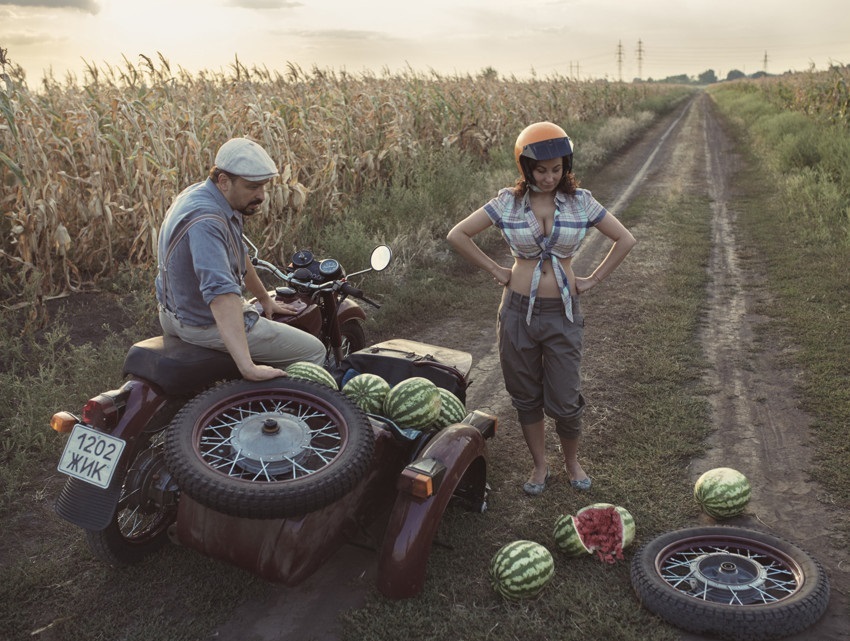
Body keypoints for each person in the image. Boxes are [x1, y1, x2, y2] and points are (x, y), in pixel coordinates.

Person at [447, 121, 636, 495]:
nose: (550, 177)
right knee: (525, 393)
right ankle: (539, 465)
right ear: (525, 168)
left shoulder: (581, 201)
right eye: (541, 170)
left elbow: (624, 238)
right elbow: (458, 234)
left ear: (566, 166)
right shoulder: (508, 202)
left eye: (557, 169)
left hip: (563, 312)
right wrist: (498, 270)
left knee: (565, 398)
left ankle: (571, 461)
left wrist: (592, 280)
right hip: (517, 312)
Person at [155, 137, 326, 381]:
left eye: (263, 186)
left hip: (174, 312)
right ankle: (289, 414)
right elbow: (221, 295)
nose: (262, 196)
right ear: (224, 181)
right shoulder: (208, 221)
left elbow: (237, 252)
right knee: (313, 351)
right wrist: (249, 368)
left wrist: (265, 298)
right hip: (201, 322)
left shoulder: (201, 194)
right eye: (252, 187)